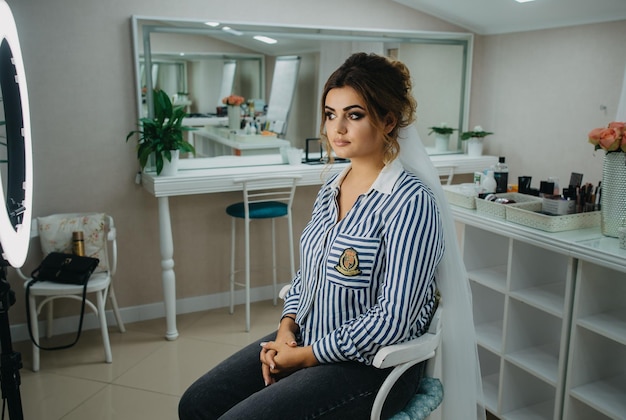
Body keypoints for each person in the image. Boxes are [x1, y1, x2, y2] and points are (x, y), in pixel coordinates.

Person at [179, 52, 483, 420]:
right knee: (196, 404)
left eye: (354, 115)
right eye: (330, 114)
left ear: (387, 121)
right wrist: (285, 329)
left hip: (372, 367)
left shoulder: (411, 202)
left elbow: (394, 320)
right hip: (309, 337)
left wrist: (306, 356)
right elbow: (308, 276)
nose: (337, 128)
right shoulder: (331, 188)